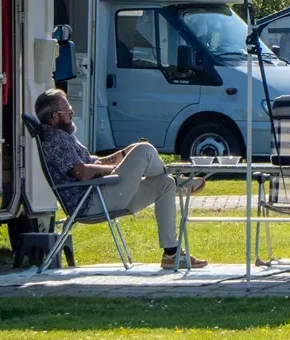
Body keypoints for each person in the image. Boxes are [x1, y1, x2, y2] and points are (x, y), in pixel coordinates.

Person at [33, 88, 207, 270]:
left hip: (102, 194)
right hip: (92, 201)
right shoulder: (54, 139)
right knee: (145, 150)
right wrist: (118, 169)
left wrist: (125, 154)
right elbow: (82, 172)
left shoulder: (63, 136)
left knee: (165, 183)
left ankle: (171, 254)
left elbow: (94, 162)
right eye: (67, 111)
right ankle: (182, 182)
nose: (72, 113)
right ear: (54, 116)